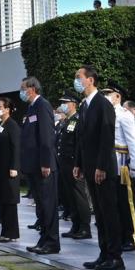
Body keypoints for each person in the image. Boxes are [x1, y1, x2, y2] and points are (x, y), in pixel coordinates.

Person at [74, 65, 124, 270]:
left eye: (79, 77)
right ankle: (104, 254)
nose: (76, 80)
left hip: (102, 168)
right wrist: (78, 162)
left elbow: (106, 137)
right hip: (89, 165)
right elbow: (81, 138)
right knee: (100, 215)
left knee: (109, 213)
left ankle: (115, 258)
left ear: (91, 80)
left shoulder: (102, 104)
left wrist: (102, 166)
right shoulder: (85, 105)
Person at [20, 77, 61, 255]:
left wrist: (46, 162)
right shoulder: (31, 108)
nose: (21, 92)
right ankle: (44, 239)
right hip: (33, 165)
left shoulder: (42, 105)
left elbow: (46, 137)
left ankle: (52, 241)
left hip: (42, 165)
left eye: (23, 88)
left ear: (32, 89)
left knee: (47, 204)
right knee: (41, 206)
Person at [102, 82, 135, 251]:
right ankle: (119, 235)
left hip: (122, 164)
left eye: (108, 93)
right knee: (114, 203)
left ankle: (131, 237)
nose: (105, 96)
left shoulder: (125, 115)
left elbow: (133, 142)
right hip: (109, 163)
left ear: (117, 96)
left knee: (126, 202)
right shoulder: (107, 113)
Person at [57, 92, 92, 240]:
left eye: (65, 102)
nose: (62, 105)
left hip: (74, 162)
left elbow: (79, 144)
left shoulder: (77, 120)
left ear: (73, 104)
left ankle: (85, 227)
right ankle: (75, 225)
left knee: (79, 195)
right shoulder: (67, 121)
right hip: (64, 162)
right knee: (69, 195)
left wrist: (79, 164)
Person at [0, 97, 21, 243]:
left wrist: (14, 167)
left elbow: (16, 147)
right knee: (2, 202)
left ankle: (11, 233)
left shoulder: (12, 125)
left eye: (0, 106)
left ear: (7, 109)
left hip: (8, 169)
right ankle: (4, 231)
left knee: (9, 202)